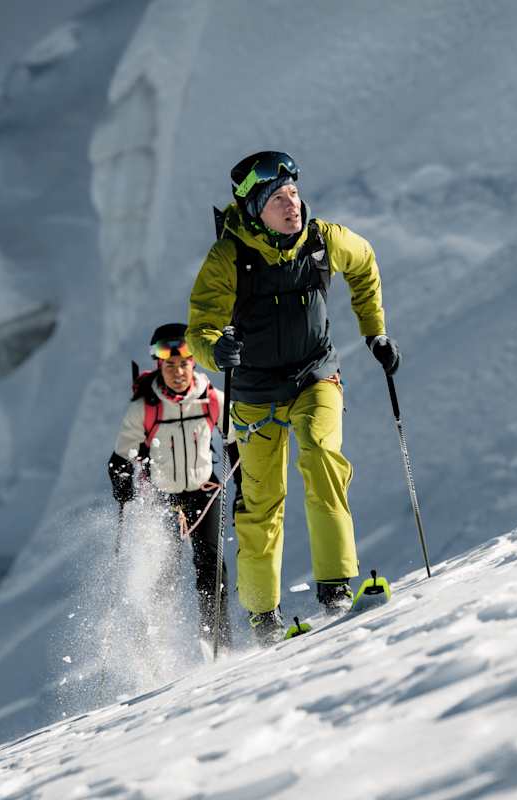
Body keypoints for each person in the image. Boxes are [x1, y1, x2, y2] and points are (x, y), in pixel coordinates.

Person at [185, 151, 401, 647]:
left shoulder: (323, 241)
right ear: (255, 208)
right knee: (262, 502)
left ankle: (336, 590)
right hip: (257, 394)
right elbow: (200, 329)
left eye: (294, 194)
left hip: (315, 376)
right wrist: (216, 349)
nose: (292, 205)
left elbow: (364, 263)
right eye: (279, 198)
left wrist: (376, 334)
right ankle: (264, 618)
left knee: (323, 457)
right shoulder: (228, 258)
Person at [106, 323, 239, 650]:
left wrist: (244, 489)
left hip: (204, 492)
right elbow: (120, 458)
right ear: (158, 365)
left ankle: (216, 642)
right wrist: (122, 482)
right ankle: (154, 646)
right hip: (162, 498)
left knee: (212, 570)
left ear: (193, 362)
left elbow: (236, 445)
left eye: (184, 364)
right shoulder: (144, 408)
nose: (178, 372)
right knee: (162, 576)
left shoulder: (212, 400)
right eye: (170, 365)